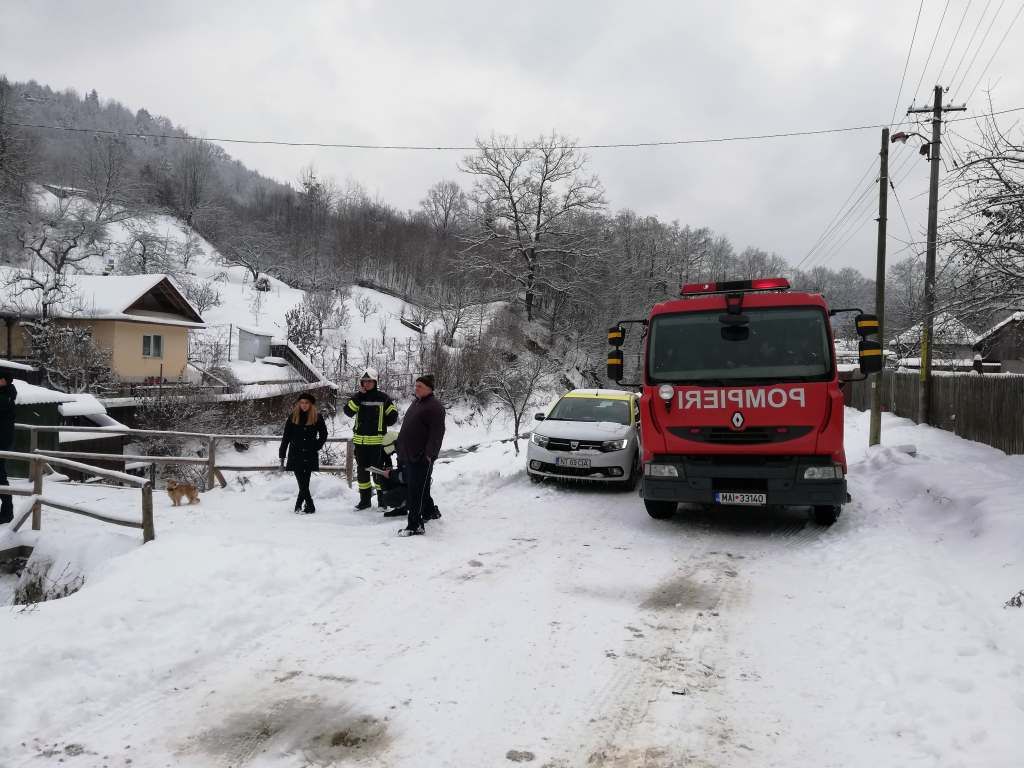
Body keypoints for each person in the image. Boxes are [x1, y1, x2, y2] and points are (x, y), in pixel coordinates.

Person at [396, 374, 445, 537]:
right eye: (415, 385)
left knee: (415, 491)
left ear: (429, 388)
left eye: (420, 386)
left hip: (421, 457)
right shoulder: (417, 402)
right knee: (421, 489)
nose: (416, 388)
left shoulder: (435, 407)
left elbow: (437, 433)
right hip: (410, 454)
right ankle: (431, 512)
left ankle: (415, 525)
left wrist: (430, 454)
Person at [343, 368, 399, 510]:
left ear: (375, 382)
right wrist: (358, 397)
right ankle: (365, 501)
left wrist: (381, 423)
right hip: (360, 443)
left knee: (379, 473)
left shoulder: (383, 398)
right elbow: (348, 412)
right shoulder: (357, 398)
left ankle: (382, 501)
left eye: (369, 381)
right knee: (362, 474)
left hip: (377, 444)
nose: (366, 384)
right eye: (364, 381)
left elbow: (393, 417)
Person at [279, 392, 328, 514]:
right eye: (301, 402)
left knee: (305, 481)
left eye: (306, 403)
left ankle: (298, 506)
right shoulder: (292, 416)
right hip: (295, 453)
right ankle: (310, 505)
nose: (304, 405)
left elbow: (324, 434)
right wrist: (282, 454)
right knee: (302, 481)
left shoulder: (317, 416)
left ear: (311, 404)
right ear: (298, 404)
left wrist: (316, 446)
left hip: (309, 453)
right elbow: (286, 437)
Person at [0, 370, 17, 524]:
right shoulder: (7, 394)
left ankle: (7, 512)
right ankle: (6, 511)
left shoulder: (6, 396)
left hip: (1, 441)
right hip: (4, 440)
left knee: (0, 477)